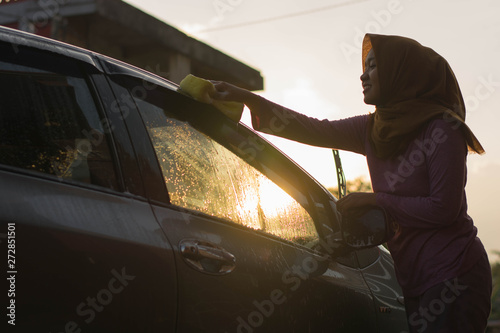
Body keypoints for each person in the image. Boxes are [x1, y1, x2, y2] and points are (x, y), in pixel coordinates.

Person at [210, 33, 492, 332]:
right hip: (415, 277)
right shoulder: (374, 127)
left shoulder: (442, 129)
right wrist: (246, 98)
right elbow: (313, 129)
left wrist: (376, 199)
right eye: (365, 66)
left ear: (401, 73)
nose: (363, 74)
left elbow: (443, 209)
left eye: (373, 66)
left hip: (454, 274)